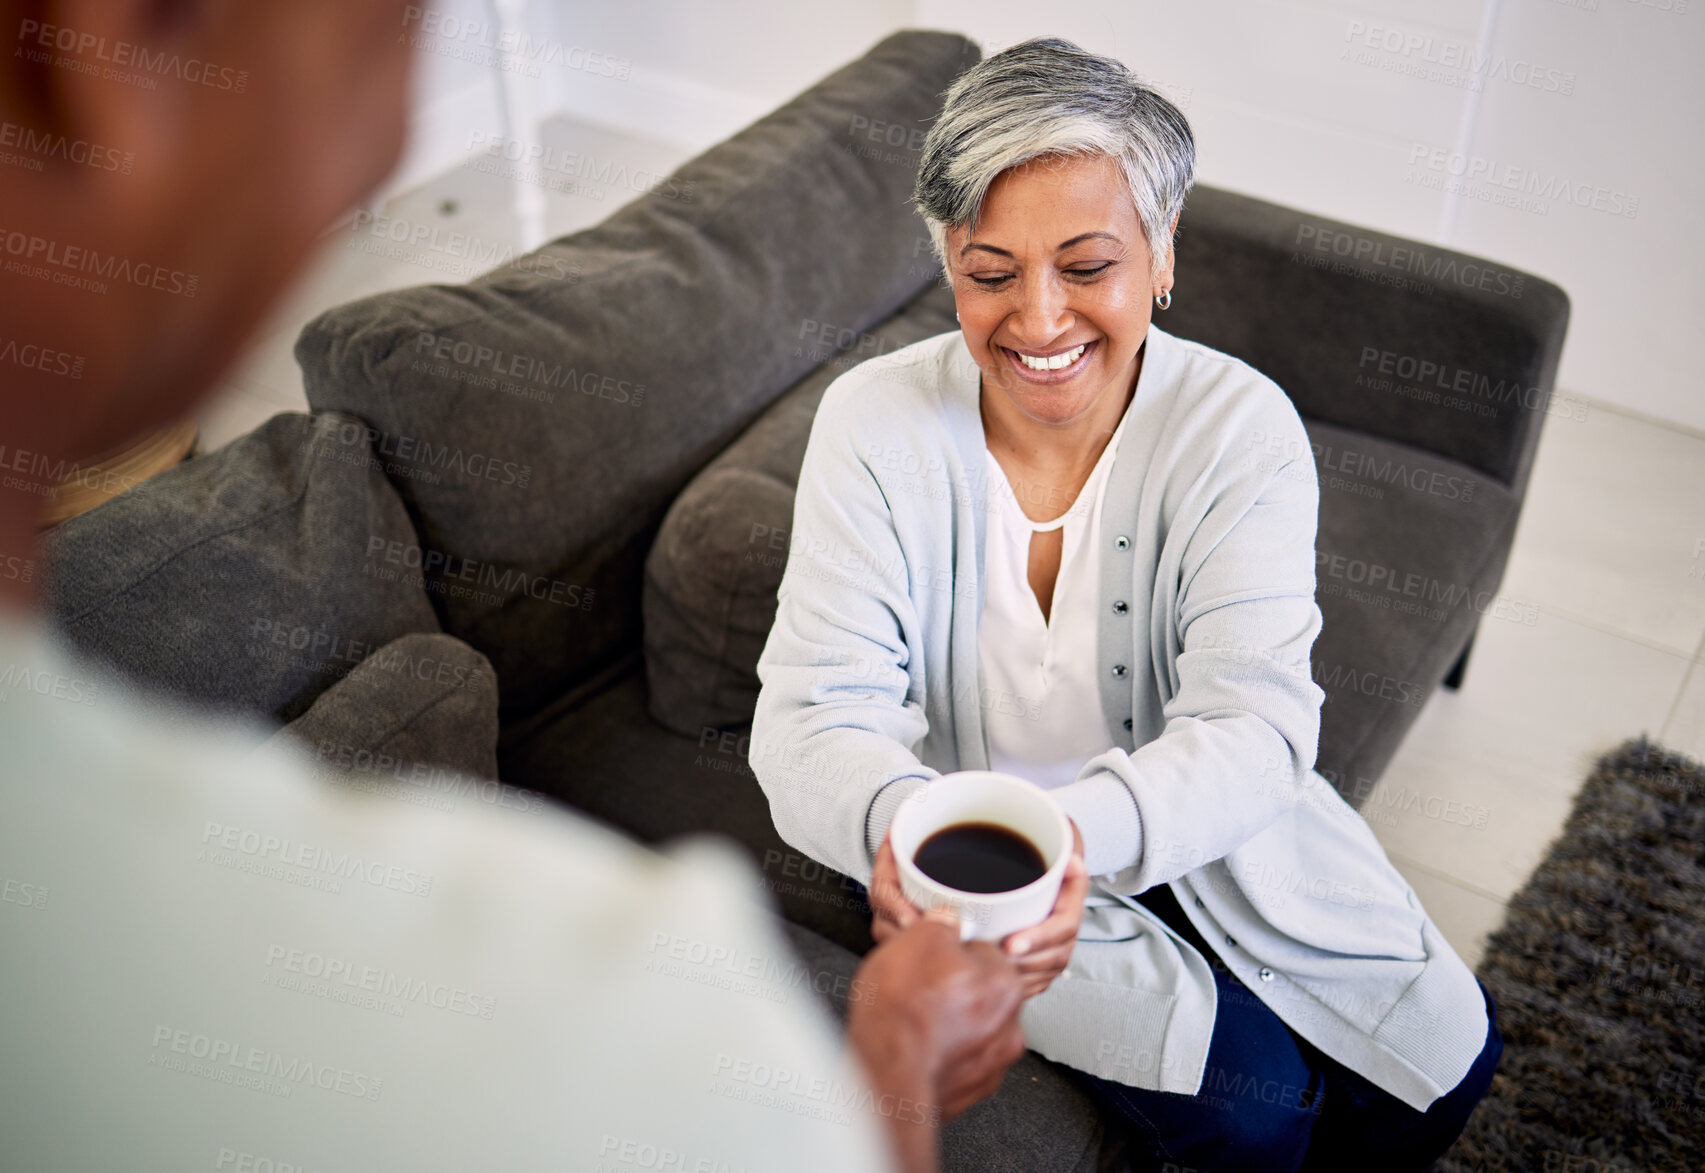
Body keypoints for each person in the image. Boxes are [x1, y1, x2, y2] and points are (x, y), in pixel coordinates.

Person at [0, 4, 1028, 1172]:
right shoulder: (615, 1007)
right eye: (394, 29)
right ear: (109, 51)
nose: (387, 134)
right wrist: (892, 1063)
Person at [751, 37, 1503, 1172]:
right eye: (989, 272)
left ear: (1160, 255)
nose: (1039, 322)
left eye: (1086, 265)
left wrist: (1077, 838)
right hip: (980, 871)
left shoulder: (1238, 429)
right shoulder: (874, 425)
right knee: (1257, 1115)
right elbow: (808, 722)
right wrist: (919, 842)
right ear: (946, 263)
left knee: (1448, 1063)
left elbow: (1256, 728)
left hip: (1216, 831)